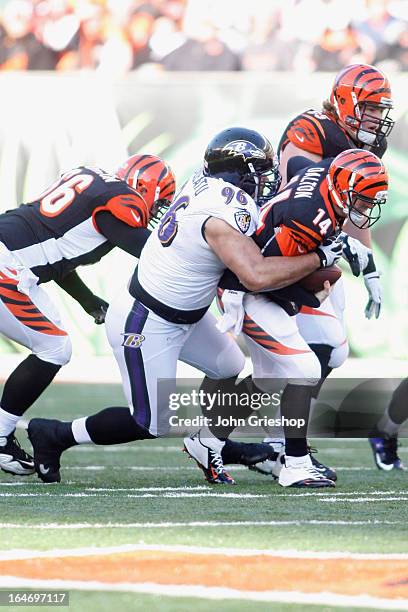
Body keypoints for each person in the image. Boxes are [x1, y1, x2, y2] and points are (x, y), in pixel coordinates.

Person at [26, 126, 342, 484]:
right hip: (145, 320)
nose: (266, 180)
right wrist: (317, 258)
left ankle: (208, 443)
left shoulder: (208, 186)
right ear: (239, 173)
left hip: (187, 315)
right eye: (260, 172)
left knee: (228, 365)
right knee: (150, 423)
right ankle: (55, 434)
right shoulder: (223, 212)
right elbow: (254, 274)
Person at [202, 148, 389, 487]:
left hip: (264, 276)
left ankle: (208, 439)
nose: (365, 209)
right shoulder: (307, 216)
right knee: (303, 369)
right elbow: (263, 277)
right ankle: (296, 463)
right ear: (343, 189)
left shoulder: (330, 174)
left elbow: (304, 166)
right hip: (244, 289)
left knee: (290, 369)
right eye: (361, 200)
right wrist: (308, 292)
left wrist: (342, 244)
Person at [249, 62, 395, 477]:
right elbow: (304, 184)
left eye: (380, 110)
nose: (376, 119)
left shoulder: (363, 144)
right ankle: (265, 445)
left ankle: (279, 443)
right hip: (286, 249)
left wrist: (368, 268)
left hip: (323, 249)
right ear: (347, 103)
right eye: (370, 108)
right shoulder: (310, 129)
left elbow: (357, 209)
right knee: (308, 356)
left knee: (327, 353)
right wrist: (338, 247)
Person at [0, 153, 175, 476]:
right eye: (161, 201)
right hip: (8, 266)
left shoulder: (94, 186)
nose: (157, 209)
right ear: (147, 188)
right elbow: (153, 254)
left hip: (11, 257)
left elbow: (59, 255)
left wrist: (88, 301)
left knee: (54, 346)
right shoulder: (120, 202)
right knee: (54, 348)